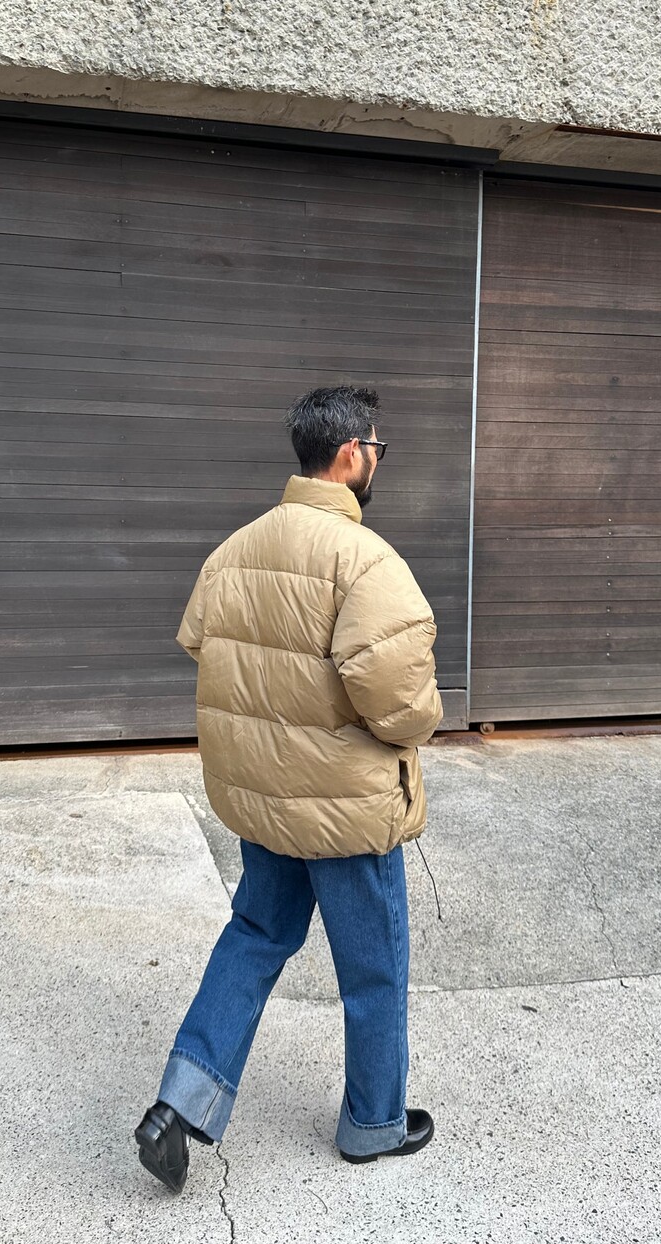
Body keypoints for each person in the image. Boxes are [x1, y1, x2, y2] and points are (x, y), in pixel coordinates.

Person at [135, 385, 443, 1192]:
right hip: (343, 812)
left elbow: (204, 645)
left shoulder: (235, 551)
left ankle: (177, 1104)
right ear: (349, 455)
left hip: (267, 803)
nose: (378, 460)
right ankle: (373, 1124)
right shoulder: (365, 563)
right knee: (374, 968)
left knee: (254, 934)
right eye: (376, 447)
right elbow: (401, 705)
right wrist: (421, 718)